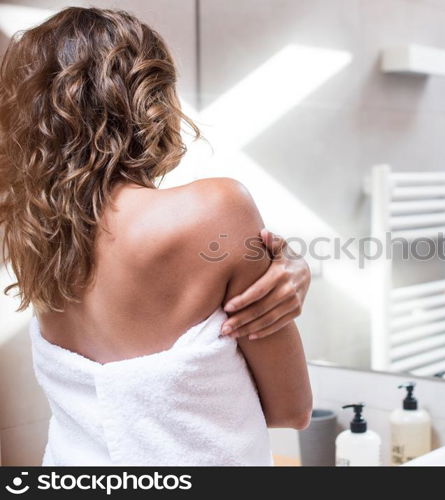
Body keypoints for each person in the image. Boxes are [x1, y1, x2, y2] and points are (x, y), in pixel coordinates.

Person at [0, 7, 311, 465]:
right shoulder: (217, 207)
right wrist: (292, 265)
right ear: (150, 95)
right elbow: (292, 410)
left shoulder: (32, 233)